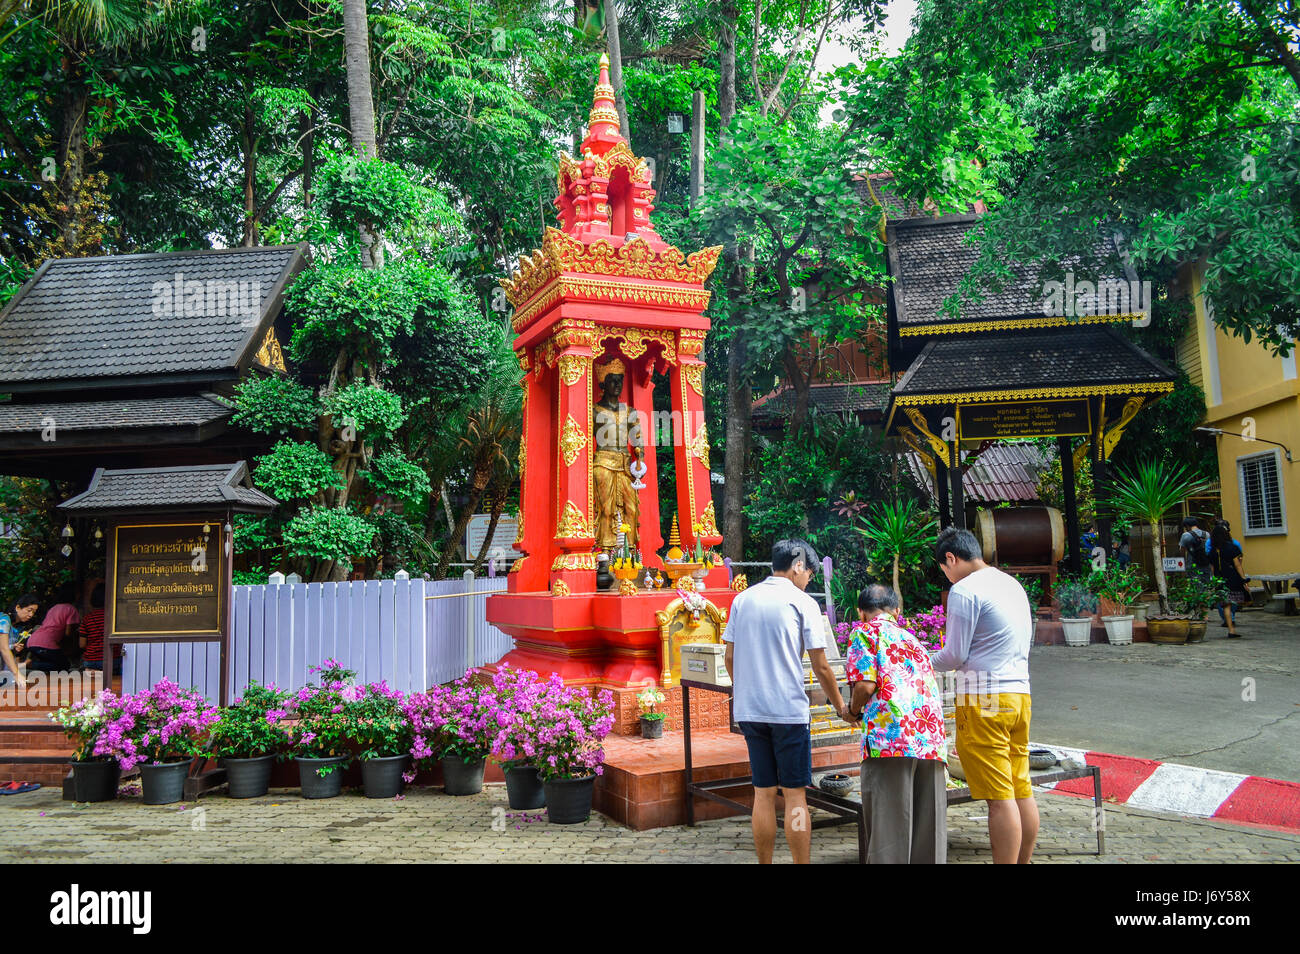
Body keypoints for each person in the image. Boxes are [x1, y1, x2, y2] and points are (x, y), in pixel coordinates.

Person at [723, 538, 845, 864]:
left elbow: (730, 655)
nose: (808, 580)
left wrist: (747, 689)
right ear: (797, 565)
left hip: (750, 710)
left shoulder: (743, 599)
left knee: (762, 793)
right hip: (787, 712)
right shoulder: (801, 602)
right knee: (794, 796)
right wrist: (840, 706)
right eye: (808, 573)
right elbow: (820, 665)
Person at [929, 526, 1038, 864]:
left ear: (951, 558)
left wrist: (917, 659)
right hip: (1019, 695)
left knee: (998, 796)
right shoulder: (1011, 584)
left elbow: (954, 655)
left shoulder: (965, 590)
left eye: (944, 570)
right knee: (1019, 786)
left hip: (985, 698)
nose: (947, 577)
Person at [844, 584, 947, 864]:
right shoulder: (912, 639)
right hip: (930, 740)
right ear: (897, 612)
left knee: (889, 831)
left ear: (861, 613)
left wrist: (852, 711)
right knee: (928, 830)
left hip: (889, 740)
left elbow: (865, 686)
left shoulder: (864, 632)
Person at [25, 584, 79, 673]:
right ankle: (30, 664)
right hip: (46, 644)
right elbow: (68, 633)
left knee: (50, 661)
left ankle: (32, 664)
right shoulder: (71, 609)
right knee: (64, 666)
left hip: (33, 641)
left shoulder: (53, 608)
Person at [1208, 523, 1248, 638]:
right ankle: (1232, 628)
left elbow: (1212, 568)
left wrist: (1214, 581)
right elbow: (1238, 565)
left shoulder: (1212, 551)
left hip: (1220, 580)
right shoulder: (1232, 548)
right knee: (1235, 601)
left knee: (1226, 605)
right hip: (1233, 579)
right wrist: (1244, 579)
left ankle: (1231, 629)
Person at [79, 583, 121, 675]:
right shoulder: (114, 617)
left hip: (91, 661)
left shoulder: (87, 618)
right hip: (113, 660)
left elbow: (82, 644)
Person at [0, 593, 37, 688]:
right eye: (29, 610)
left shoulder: (15, 628)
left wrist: (12, 647)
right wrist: (16, 674)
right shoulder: (4, 620)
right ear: (17, 608)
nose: (31, 615)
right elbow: (3, 649)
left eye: (34, 612)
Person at [1179, 517, 1212, 582]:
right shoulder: (1206, 534)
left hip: (1192, 564)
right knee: (1207, 585)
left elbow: (1182, 552)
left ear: (1187, 525)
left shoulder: (1186, 535)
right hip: (1206, 563)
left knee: (1195, 586)